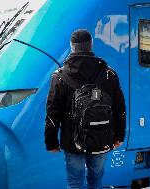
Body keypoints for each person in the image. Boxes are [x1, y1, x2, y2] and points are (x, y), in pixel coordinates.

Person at [44, 29, 126, 189]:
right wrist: (119, 135)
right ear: (91, 45)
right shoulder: (109, 74)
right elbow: (120, 108)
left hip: (71, 140)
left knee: (75, 181)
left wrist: (51, 141)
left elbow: (52, 113)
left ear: (72, 46)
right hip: (101, 137)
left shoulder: (59, 76)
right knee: (96, 179)